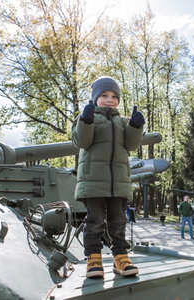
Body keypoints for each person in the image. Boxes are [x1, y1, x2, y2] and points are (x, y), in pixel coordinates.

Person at [71, 76, 145, 278]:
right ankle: (93, 259)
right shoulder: (86, 117)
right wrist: (86, 121)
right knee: (94, 222)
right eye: (104, 95)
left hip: (119, 181)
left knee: (118, 222)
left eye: (114, 96)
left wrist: (136, 127)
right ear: (95, 98)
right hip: (93, 180)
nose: (109, 99)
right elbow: (82, 142)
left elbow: (131, 145)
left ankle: (121, 258)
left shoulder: (123, 122)